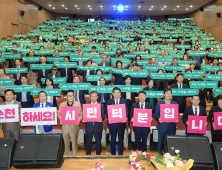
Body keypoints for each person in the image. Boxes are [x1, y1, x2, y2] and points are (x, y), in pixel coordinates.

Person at [58, 89, 83, 155]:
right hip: (65, 125)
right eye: (69, 96)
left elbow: (81, 114)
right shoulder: (62, 104)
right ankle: (67, 152)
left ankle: (75, 152)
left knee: (74, 140)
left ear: (74, 96)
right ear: (66, 96)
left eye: (71, 96)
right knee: (66, 140)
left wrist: (78, 120)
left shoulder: (78, 104)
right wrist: (61, 120)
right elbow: (59, 114)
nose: (70, 97)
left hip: (74, 125)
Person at [155, 88, 178, 155]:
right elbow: (156, 114)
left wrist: (177, 118)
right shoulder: (159, 104)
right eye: (167, 93)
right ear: (164, 94)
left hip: (172, 126)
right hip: (162, 125)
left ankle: (170, 156)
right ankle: (159, 156)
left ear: (171, 95)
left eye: (170, 93)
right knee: (161, 142)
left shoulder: (174, 103)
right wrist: (158, 118)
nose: (168, 95)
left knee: (171, 142)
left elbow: (176, 114)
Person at [106, 87, 128, 155]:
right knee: (113, 138)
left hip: (121, 123)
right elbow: (107, 112)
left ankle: (121, 152)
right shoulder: (109, 101)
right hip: (112, 123)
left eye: (118, 92)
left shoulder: (124, 101)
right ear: (112, 93)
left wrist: (125, 117)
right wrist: (109, 118)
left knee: (121, 138)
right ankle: (112, 152)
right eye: (115, 93)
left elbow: (126, 111)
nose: (116, 94)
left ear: (120, 94)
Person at [83, 91, 105, 155]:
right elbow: (84, 115)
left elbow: (103, 115)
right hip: (89, 126)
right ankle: (88, 154)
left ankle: (98, 154)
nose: (93, 98)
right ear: (90, 97)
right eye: (92, 96)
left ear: (97, 97)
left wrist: (101, 118)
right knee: (88, 142)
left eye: (95, 96)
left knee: (98, 142)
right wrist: (83, 119)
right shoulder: (86, 105)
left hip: (97, 126)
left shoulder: (101, 105)